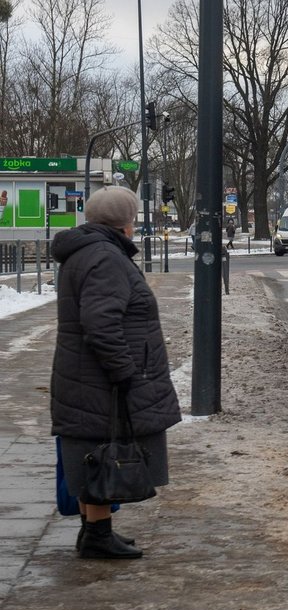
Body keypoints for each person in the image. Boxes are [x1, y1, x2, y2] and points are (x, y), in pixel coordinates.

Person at [51, 186, 181, 559]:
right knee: (100, 449)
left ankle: (95, 530)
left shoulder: (88, 252)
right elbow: (101, 323)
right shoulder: (105, 257)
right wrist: (124, 370)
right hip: (99, 378)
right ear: (126, 222)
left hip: (86, 375)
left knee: (94, 448)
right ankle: (97, 536)